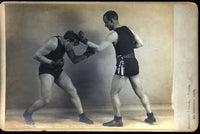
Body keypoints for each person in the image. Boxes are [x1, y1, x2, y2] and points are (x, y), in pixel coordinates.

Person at [78, 10, 156, 127]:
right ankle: (151, 117)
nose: (105, 25)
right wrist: (128, 48)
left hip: (123, 64)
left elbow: (99, 49)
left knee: (114, 93)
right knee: (140, 92)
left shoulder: (113, 34)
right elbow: (140, 44)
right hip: (134, 63)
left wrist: (85, 41)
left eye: (106, 22)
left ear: (112, 20)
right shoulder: (129, 29)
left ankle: (118, 120)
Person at [23, 30, 95, 125]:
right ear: (68, 40)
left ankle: (82, 116)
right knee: (45, 99)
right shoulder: (53, 42)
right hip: (47, 70)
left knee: (72, 90)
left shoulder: (67, 43)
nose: (71, 47)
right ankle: (27, 113)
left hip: (57, 70)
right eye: (72, 44)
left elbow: (74, 60)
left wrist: (87, 54)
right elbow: (36, 55)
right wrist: (52, 62)